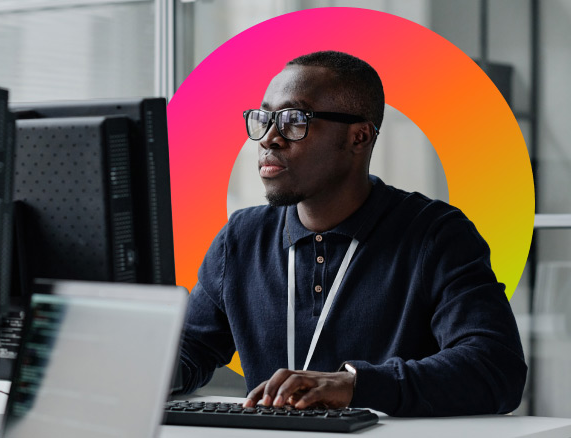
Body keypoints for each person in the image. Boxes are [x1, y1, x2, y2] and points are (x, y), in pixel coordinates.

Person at [176, 50, 527, 417]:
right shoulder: (241, 239)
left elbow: (495, 368)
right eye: (263, 118)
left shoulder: (435, 235)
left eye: (295, 120)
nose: (269, 138)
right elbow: (188, 352)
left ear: (359, 137)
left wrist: (356, 386)